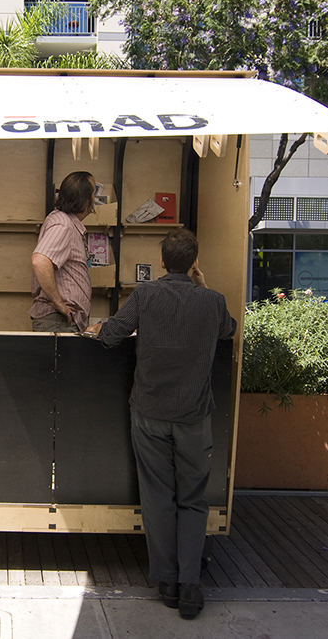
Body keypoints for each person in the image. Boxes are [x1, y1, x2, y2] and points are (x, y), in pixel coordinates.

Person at [89, 228, 236, 620]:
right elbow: (229, 330)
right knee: (192, 499)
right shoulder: (213, 302)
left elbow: (112, 336)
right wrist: (202, 286)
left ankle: (166, 581)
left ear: (160, 264)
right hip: (193, 417)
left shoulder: (147, 294)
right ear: (194, 264)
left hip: (150, 413)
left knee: (157, 498)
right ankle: (190, 586)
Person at [29, 171, 98, 332]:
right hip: (58, 321)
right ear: (85, 198)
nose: (96, 198)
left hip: (61, 321)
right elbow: (40, 261)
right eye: (94, 192)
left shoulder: (64, 222)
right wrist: (60, 304)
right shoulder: (63, 224)